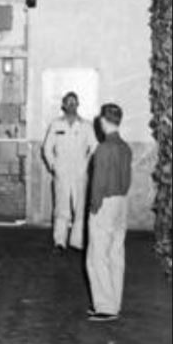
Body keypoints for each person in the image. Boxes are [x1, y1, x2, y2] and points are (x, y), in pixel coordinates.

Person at [86, 103, 132, 322]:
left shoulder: (103, 148)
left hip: (104, 204)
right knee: (116, 254)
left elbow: (98, 183)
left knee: (97, 257)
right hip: (121, 202)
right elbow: (128, 180)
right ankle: (115, 303)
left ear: (104, 121)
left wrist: (94, 207)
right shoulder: (125, 147)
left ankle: (105, 306)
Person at [42, 91, 97, 253]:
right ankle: (59, 242)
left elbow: (94, 147)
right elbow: (46, 149)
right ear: (63, 105)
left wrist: (87, 164)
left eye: (75, 102)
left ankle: (77, 242)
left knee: (80, 208)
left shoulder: (86, 125)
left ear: (78, 105)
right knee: (61, 209)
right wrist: (54, 166)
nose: (72, 104)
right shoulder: (56, 125)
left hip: (80, 174)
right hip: (62, 174)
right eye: (69, 102)